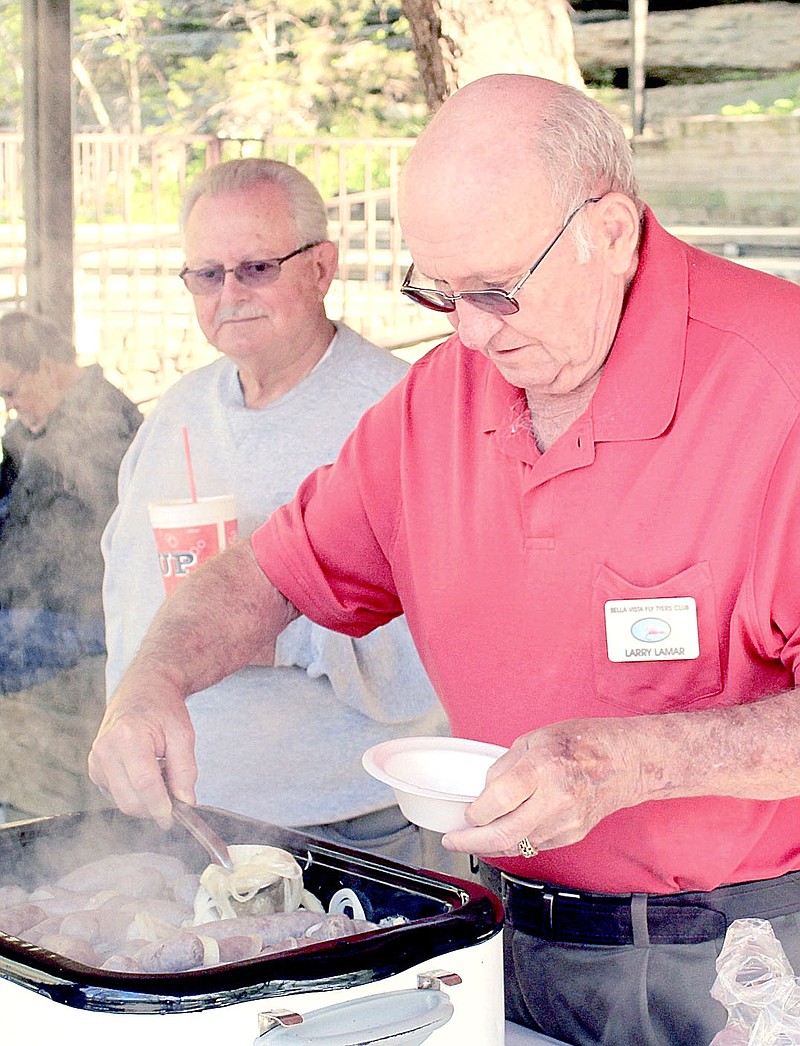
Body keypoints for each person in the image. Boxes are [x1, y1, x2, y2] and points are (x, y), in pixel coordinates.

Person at [88, 74, 800, 1045]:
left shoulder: (775, 379)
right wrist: (152, 679)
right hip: (488, 923)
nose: (465, 333)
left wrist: (628, 760)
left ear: (611, 232)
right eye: (439, 292)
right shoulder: (438, 400)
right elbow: (267, 574)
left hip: (732, 953)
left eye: (496, 291)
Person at [100, 157, 457, 871]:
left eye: (256, 267)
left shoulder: (401, 411)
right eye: (206, 274)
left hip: (348, 825)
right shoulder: (177, 412)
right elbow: (126, 593)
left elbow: (450, 639)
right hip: (189, 818)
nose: (229, 294)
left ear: (321, 267)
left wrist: (256, 625)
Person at [0, 310, 141, 819]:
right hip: (37, 616)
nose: (12, 407)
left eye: (12, 392)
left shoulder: (100, 430)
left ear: (46, 366)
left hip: (75, 628)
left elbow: (69, 556)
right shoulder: (35, 432)